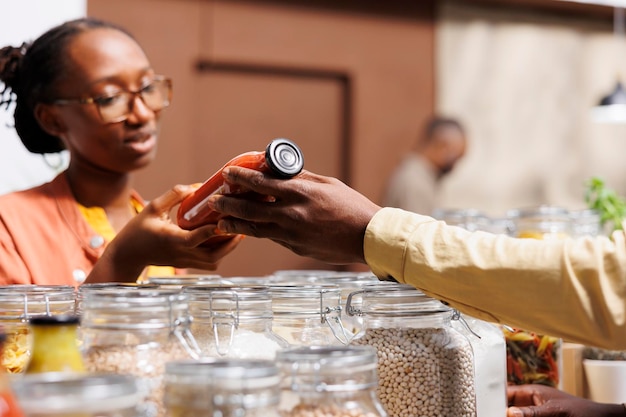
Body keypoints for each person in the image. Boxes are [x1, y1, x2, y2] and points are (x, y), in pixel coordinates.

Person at [0, 18, 242, 286]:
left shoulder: (161, 228)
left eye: (148, 87)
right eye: (110, 98)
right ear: (52, 119)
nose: (142, 114)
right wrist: (123, 259)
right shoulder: (8, 227)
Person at [382, 116, 467, 214]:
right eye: (456, 158)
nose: (454, 167)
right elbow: (416, 228)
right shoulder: (415, 181)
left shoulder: (423, 177)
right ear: (443, 146)